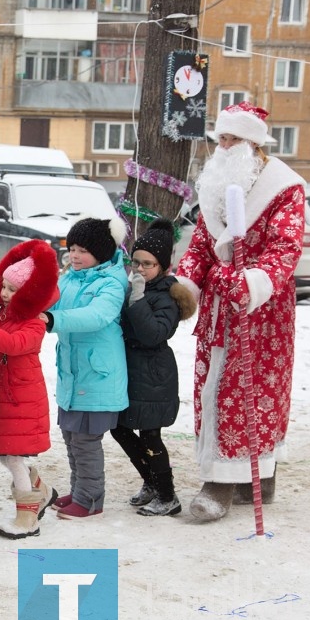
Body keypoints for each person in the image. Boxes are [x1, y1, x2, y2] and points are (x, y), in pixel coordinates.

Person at [175, 102, 306, 521]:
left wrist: (250, 281)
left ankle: (224, 484)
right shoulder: (216, 186)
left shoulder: (285, 187)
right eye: (220, 139)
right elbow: (200, 246)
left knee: (250, 393)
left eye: (231, 140)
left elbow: (285, 248)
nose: (223, 147)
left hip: (262, 313)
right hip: (218, 311)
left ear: (253, 144)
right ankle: (251, 477)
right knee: (212, 389)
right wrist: (184, 286)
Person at [0, 239, 60, 539]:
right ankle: (40, 490)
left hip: (24, 401)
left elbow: (12, 345)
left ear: (29, 293)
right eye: (3, 286)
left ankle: (27, 518)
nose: (5, 294)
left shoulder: (33, 323)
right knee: (7, 456)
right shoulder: (1, 317)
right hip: (6, 400)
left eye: (13, 290)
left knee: (15, 459)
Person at [40, 218, 128, 519]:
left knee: (86, 443)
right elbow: (48, 302)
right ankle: (79, 491)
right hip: (72, 376)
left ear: (101, 253)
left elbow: (96, 315)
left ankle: (90, 500)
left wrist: (54, 320)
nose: (75, 256)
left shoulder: (112, 282)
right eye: (72, 249)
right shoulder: (70, 278)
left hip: (97, 377)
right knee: (71, 439)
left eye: (83, 251)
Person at [111, 219, 197, 518]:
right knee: (119, 428)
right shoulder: (133, 286)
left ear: (162, 266)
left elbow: (152, 335)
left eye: (148, 264)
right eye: (136, 262)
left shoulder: (168, 297)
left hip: (154, 375)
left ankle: (167, 495)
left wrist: (137, 300)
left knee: (150, 435)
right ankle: (151, 480)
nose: (140, 269)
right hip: (130, 371)